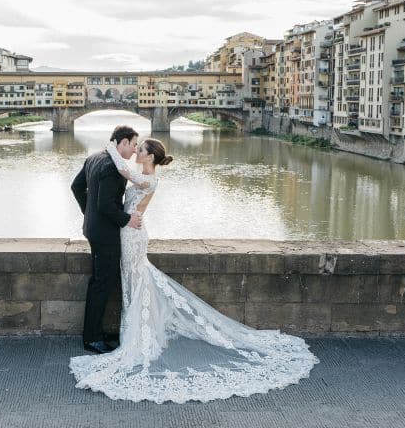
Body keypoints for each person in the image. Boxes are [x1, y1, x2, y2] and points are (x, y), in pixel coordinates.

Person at [69, 137, 319, 404]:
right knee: (134, 281)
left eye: (140, 149)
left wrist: (110, 148)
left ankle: (139, 336)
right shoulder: (142, 175)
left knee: (137, 280)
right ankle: (134, 331)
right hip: (128, 233)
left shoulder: (149, 179)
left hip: (132, 236)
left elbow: (122, 170)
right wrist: (111, 150)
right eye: (135, 147)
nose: (136, 152)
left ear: (151, 157)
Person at [71, 125, 143, 355]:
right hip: (105, 235)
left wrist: (87, 212)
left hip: (93, 230)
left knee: (99, 282)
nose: (134, 151)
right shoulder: (113, 167)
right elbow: (105, 205)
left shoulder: (95, 157)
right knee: (102, 284)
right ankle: (92, 338)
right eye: (132, 145)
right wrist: (127, 220)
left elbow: (76, 186)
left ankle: (94, 334)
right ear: (121, 142)